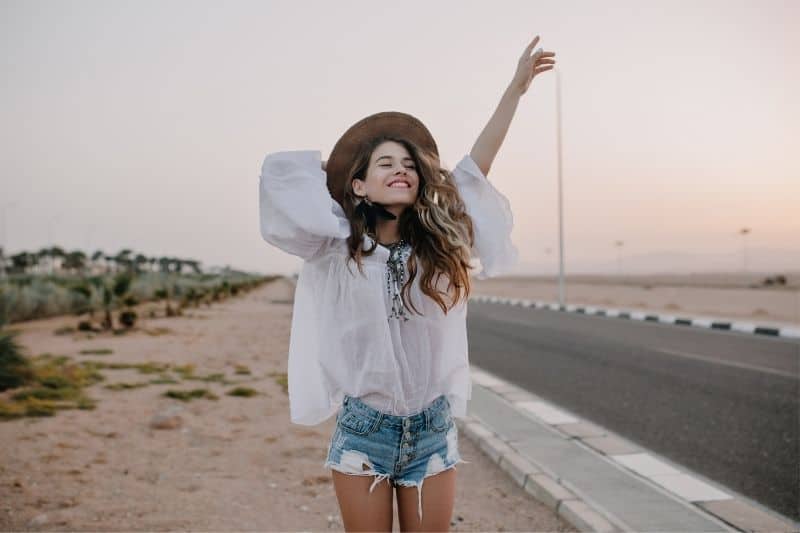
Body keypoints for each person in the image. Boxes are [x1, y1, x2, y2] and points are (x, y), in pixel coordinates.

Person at [259, 35, 555, 532]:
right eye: (385, 165)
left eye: (409, 165)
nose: (401, 170)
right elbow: (282, 178)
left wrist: (515, 90)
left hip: (431, 432)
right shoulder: (336, 249)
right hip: (363, 434)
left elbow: (476, 167)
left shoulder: (438, 247)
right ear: (358, 184)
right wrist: (340, 176)